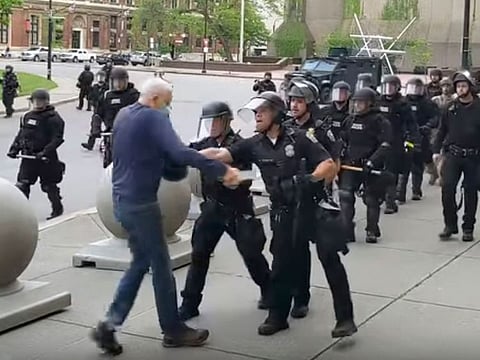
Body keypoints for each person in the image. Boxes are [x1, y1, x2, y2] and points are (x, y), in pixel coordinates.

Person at [90, 78, 242, 355]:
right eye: (168, 103)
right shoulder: (152, 117)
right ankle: (172, 329)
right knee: (161, 267)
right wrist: (221, 170)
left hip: (121, 202)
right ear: (156, 99)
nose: (168, 110)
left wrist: (193, 155)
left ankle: (110, 325)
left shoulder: (126, 115)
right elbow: (176, 152)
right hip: (142, 205)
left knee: (140, 264)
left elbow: (157, 155)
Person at [200, 91, 357, 338]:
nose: (257, 116)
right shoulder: (253, 144)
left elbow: (328, 164)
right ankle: (277, 316)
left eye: (262, 111)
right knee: (282, 264)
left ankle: (345, 319)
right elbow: (220, 155)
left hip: (313, 206)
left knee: (330, 260)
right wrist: (184, 156)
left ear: (276, 112)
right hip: (284, 210)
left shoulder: (301, 138)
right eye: (255, 112)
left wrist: (308, 179)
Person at [178, 101, 271, 320]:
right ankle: (190, 303)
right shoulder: (205, 144)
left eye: (215, 121)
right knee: (199, 254)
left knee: (251, 253)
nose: (211, 126)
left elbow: (249, 176)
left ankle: (269, 290)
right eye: (207, 122)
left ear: (226, 121)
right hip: (212, 208)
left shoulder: (238, 145)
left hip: (237, 209)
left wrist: (236, 179)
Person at [340, 87, 392, 244]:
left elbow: (385, 144)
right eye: (355, 102)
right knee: (346, 197)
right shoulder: (349, 121)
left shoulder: (380, 121)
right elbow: (342, 140)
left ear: (370, 104)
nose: (357, 106)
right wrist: (340, 155)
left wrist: (372, 162)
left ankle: (371, 229)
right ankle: (347, 229)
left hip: (370, 166)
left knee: (371, 199)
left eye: (361, 103)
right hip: (350, 165)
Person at [433, 71, 480, 242]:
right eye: (458, 86)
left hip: (474, 157)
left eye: (464, 86)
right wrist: (436, 151)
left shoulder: (478, 106)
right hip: (453, 154)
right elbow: (441, 131)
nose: (461, 89)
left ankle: (468, 227)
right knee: (447, 189)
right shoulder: (450, 108)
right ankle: (450, 225)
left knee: (470, 192)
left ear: (470, 87)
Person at [7, 89, 65, 220]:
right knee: (22, 185)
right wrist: (14, 148)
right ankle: (20, 213)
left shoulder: (53, 118)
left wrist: (45, 151)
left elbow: (57, 139)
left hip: (46, 159)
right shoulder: (27, 116)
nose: (38, 104)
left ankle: (57, 208)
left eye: (40, 101)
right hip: (28, 158)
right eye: (35, 101)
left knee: (49, 186)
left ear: (46, 102)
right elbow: (21, 134)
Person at [378, 75, 419, 212]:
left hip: (396, 141)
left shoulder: (403, 104)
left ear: (397, 88)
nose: (388, 90)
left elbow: (411, 124)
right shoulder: (378, 102)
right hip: (377, 140)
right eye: (386, 86)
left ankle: (390, 201)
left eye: (391, 87)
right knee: (377, 171)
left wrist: (411, 141)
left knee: (392, 171)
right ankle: (380, 196)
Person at [398, 78, 439, 201]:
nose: (414, 92)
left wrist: (428, 126)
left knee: (417, 164)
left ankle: (416, 190)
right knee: (405, 165)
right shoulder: (403, 103)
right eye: (412, 88)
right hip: (406, 137)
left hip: (421, 136)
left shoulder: (427, 103)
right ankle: (400, 193)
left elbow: (435, 117)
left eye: (417, 88)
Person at [431, 78, 455, 185]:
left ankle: (442, 175)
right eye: (444, 86)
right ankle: (435, 172)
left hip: (451, 128)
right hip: (437, 128)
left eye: (448, 86)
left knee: (444, 154)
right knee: (435, 154)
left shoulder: (455, 99)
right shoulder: (435, 100)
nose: (445, 88)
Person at [81, 71, 110, 151]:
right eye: (99, 77)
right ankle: (90, 144)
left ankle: (107, 143)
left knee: (109, 126)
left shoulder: (108, 87)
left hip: (106, 110)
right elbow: (90, 96)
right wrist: (92, 102)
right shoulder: (95, 87)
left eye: (102, 77)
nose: (100, 79)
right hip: (97, 109)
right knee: (94, 126)